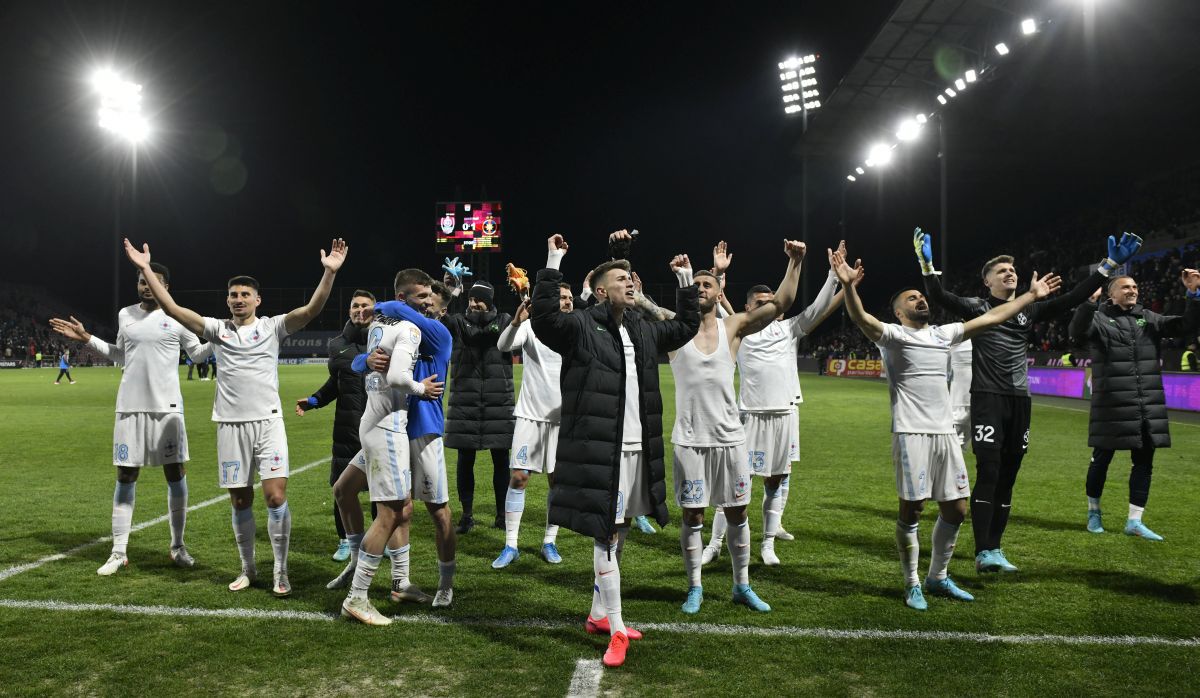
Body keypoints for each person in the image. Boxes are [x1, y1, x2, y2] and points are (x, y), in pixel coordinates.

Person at [835, 248, 1061, 609]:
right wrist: (848, 287)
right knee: (912, 510)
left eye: (922, 295)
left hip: (944, 433)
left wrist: (1031, 298)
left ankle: (937, 577)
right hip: (911, 433)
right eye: (912, 298)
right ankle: (912, 584)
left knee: (956, 509)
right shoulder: (892, 335)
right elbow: (860, 317)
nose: (921, 298)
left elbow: (991, 318)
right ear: (898, 312)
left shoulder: (944, 334)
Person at [123, 236, 348, 596]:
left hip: (268, 423)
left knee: (275, 497)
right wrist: (146, 269)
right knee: (240, 501)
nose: (238, 300)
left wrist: (329, 274)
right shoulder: (217, 329)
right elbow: (173, 309)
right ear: (227, 300)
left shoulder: (272, 327)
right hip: (229, 425)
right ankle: (248, 569)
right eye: (233, 295)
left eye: (245, 295)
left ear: (258, 300)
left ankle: (280, 570)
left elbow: (311, 310)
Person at [915, 227, 1140, 573]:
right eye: (1001, 271)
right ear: (987, 282)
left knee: (1010, 474)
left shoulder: (1029, 311)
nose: (1010, 273)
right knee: (989, 470)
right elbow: (939, 296)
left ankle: (995, 548)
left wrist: (1108, 265)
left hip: (1020, 400)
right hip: (988, 398)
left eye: (1012, 270)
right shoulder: (977, 307)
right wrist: (927, 265)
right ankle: (983, 550)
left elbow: (1073, 297)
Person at [531, 230, 700, 668]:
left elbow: (684, 328)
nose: (631, 281)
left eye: (632, 276)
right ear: (602, 290)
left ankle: (597, 615)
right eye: (622, 277)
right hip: (599, 451)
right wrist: (553, 260)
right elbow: (545, 318)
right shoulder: (581, 326)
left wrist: (685, 282)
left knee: (619, 532)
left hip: (635, 450)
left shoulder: (643, 330)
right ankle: (618, 629)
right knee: (606, 534)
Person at [669, 239, 806, 615]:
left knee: (738, 513)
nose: (700, 289)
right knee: (693, 516)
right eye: (694, 285)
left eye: (706, 284)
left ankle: (741, 585)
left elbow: (780, 304)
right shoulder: (675, 330)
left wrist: (794, 263)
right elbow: (638, 307)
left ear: (718, 291)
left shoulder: (734, 327)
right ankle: (695, 587)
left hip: (731, 438)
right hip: (690, 440)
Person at [49, 262, 211, 575]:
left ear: (166, 286)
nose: (146, 285)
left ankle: (177, 547)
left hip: (167, 409)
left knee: (175, 474)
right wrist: (87, 338)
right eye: (141, 280)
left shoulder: (177, 316)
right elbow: (121, 355)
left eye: (153, 280)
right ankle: (118, 552)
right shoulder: (125, 315)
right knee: (125, 475)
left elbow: (198, 355)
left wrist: (221, 335)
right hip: (129, 408)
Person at [702, 240, 847, 567]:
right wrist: (718, 275)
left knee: (776, 481)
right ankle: (714, 542)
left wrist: (832, 277)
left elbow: (819, 309)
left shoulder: (789, 329)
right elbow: (712, 305)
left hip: (784, 414)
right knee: (735, 484)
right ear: (749, 308)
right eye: (761, 303)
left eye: (772, 302)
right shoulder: (739, 328)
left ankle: (767, 544)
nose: (769, 307)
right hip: (749, 416)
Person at [339, 281, 445, 626]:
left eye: (431, 298)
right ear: (403, 300)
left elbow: (376, 365)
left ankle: (398, 582)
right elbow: (399, 376)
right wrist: (422, 388)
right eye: (422, 298)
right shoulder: (409, 328)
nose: (428, 304)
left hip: (377, 421)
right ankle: (358, 595)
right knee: (390, 512)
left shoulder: (379, 325)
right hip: (388, 426)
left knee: (390, 504)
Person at [1070, 271, 1200, 539]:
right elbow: (1077, 332)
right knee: (1101, 461)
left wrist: (1193, 295)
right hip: (1112, 405)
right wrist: (1087, 303)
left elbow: (1187, 325)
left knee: (1144, 462)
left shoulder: (1149, 319)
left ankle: (1135, 521)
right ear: (1111, 294)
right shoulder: (1099, 318)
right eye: (1125, 287)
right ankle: (1094, 512)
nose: (1132, 290)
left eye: (1135, 286)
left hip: (1146, 405)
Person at [491, 235, 574, 569]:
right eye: (560, 296)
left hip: (562, 418)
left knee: (558, 481)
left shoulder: (577, 329)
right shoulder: (532, 328)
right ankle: (511, 544)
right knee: (519, 478)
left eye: (569, 298)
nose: (565, 302)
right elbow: (502, 346)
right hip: (529, 416)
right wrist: (515, 321)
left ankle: (549, 542)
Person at [295, 290, 376, 561]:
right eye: (355, 305)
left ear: (375, 310)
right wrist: (316, 399)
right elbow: (335, 384)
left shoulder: (387, 341)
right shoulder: (337, 345)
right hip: (347, 429)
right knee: (342, 487)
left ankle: (380, 537)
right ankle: (344, 541)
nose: (360, 309)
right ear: (349, 311)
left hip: (379, 427)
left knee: (381, 489)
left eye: (366, 305)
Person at [443, 279, 516, 534]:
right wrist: (450, 292)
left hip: (498, 402)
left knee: (501, 460)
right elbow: (437, 316)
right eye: (471, 299)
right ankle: (467, 514)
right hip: (466, 401)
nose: (474, 303)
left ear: (490, 300)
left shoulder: (505, 320)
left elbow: (487, 335)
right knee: (465, 460)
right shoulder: (457, 322)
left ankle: (501, 515)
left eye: (479, 299)